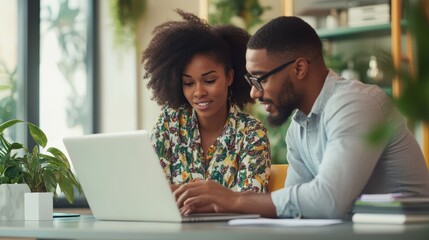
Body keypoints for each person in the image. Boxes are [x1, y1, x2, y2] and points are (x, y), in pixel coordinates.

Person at [173, 16, 429, 219]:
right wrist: (215, 205)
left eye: (261, 78)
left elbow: (328, 200)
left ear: (299, 68)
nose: (254, 92)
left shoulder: (355, 104)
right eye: (251, 81)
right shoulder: (299, 127)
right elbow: (295, 206)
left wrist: (232, 199)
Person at [141, 9, 271, 193]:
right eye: (188, 83)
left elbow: (253, 199)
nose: (199, 92)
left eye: (209, 81)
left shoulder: (251, 133)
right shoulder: (170, 124)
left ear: (229, 77)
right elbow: (151, 189)